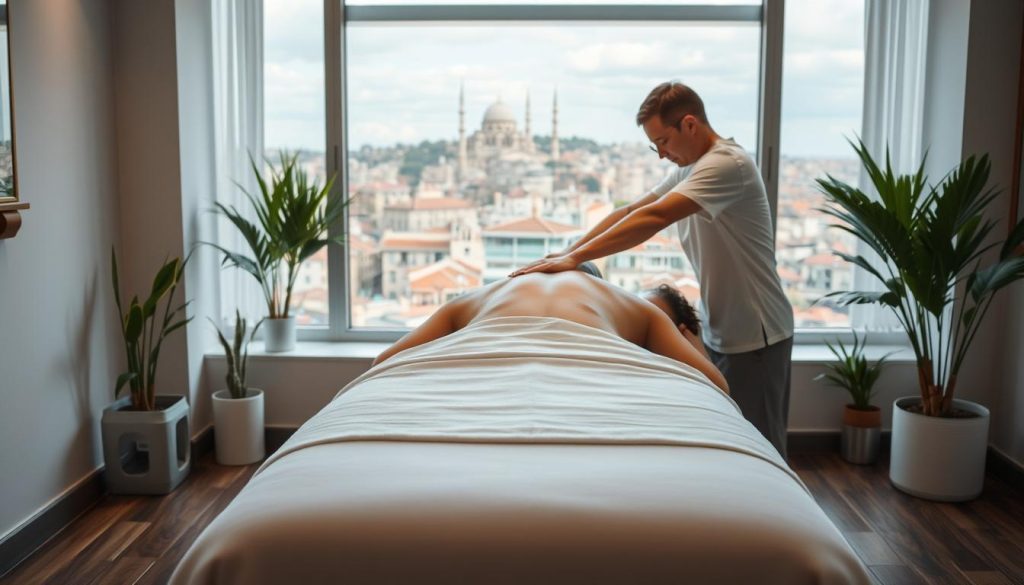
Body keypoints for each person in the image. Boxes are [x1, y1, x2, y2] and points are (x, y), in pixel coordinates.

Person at [509, 81, 794, 457]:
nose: (661, 154)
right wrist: (568, 253)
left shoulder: (728, 164)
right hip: (724, 326)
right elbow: (630, 211)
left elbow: (656, 217)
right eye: (654, 145)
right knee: (728, 440)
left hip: (758, 335)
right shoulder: (692, 168)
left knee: (761, 448)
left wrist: (574, 260)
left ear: (690, 125)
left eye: (663, 141)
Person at [372, 270, 729, 395]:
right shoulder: (637, 308)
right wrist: (694, 344)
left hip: (483, 349)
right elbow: (718, 386)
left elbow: (383, 363)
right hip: (590, 359)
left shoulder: (475, 297)